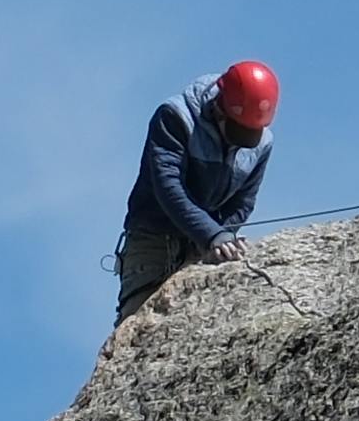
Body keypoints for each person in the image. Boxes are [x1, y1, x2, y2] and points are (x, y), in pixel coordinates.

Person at [117, 59, 279, 318]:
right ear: (219, 108)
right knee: (138, 321)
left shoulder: (261, 144)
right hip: (153, 239)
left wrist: (221, 236)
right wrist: (211, 235)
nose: (236, 141)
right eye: (235, 130)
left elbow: (243, 202)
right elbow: (169, 187)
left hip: (203, 242)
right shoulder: (175, 118)